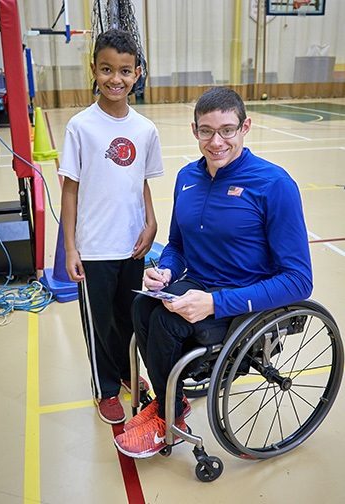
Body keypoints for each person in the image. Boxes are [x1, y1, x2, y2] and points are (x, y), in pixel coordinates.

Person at [114, 86, 313, 457]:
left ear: (245, 127)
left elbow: (300, 280)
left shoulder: (274, 184)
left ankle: (165, 415)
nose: (216, 141)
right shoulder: (187, 178)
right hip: (200, 283)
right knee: (143, 306)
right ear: (194, 131)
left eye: (227, 130)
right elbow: (176, 245)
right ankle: (170, 406)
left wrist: (215, 304)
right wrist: (167, 273)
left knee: (167, 323)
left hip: (245, 298)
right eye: (206, 131)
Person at [58, 28, 164, 424]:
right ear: (94, 70)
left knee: (130, 317)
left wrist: (151, 222)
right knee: (100, 324)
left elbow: (142, 182)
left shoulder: (145, 129)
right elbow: (70, 190)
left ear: (137, 73)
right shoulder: (81, 127)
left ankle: (126, 372)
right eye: (106, 70)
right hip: (95, 248)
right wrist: (71, 248)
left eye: (124, 70)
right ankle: (105, 388)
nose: (115, 79)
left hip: (132, 245)